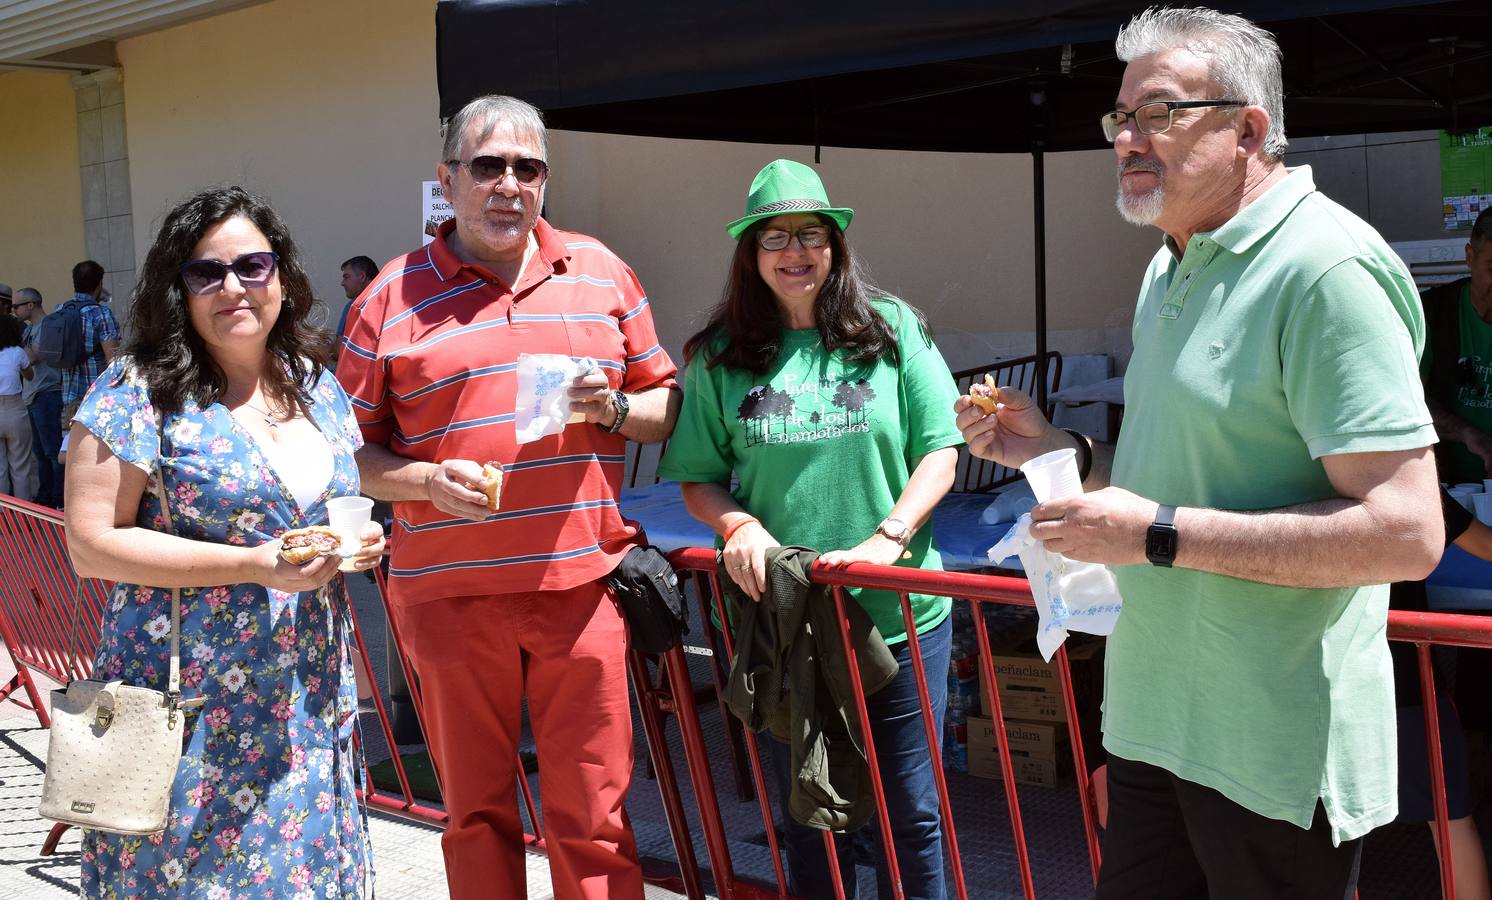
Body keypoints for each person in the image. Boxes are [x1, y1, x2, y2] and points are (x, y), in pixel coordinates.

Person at [956, 9, 1442, 897]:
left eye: (1159, 113)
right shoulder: (1169, 263)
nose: (1126, 140)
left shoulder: (1326, 269)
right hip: (1154, 725)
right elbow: (1176, 476)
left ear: (1248, 128)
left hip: (1272, 752)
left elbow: (1406, 536)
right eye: (1118, 119)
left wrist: (1155, 535)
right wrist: (1061, 448)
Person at [336, 94, 679, 900]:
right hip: (447, 600)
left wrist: (616, 408)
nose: (508, 186)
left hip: (580, 590)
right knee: (475, 816)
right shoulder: (389, 298)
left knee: (594, 816)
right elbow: (342, 455)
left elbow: (664, 401)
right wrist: (423, 481)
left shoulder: (602, 270)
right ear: (447, 178)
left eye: (527, 168)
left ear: (545, 180)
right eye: (487, 166)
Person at [62, 186, 384, 897]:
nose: (234, 286)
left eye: (253, 266)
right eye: (207, 272)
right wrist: (252, 565)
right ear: (178, 290)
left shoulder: (313, 384)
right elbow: (89, 545)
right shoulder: (135, 393)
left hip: (306, 696)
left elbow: (331, 496)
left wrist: (350, 542)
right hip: (188, 712)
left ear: (281, 275)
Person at [659, 159, 963, 899]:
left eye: (811, 235)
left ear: (836, 246)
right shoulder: (720, 356)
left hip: (899, 613)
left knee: (910, 815)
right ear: (751, 255)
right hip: (786, 620)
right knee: (809, 813)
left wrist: (888, 537)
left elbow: (942, 449)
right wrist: (740, 527)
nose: (794, 251)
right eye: (775, 238)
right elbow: (697, 477)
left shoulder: (891, 330)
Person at [1390, 488, 1492, 900]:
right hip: (1406, 683)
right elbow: (1486, 544)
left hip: (1306, 678)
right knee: (1449, 818)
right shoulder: (1405, 486)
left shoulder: (1279, 478)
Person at [1422, 205, 1492, 484]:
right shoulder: (1433, 314)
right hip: (1448, 490)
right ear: (1469, 257)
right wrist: (1469, 435)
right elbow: (1408, 401)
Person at [15, 288, 64, 507]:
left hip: (46, 394)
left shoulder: (46, 326)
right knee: (40, 453)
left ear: (31, 305)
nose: (14, 310)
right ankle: (45, 498)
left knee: (52, 452)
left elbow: (32, 357)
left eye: (17, 306)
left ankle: (57, 499)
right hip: (33, 395)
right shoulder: (29, 330)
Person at [59, 259, 120, 432]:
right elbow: (113, 359)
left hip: (68, 397)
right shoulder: (100, 313)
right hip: (95, 399)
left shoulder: (61, 310)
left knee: (71, 450)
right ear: (100, 283)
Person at [0, 314, 36, 501]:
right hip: (15, 409)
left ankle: (2, 520)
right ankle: (24, 517)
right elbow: (30, 376)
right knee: (21, 467)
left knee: (0, 471)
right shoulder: (17, 352)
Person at [333, 255, 378, 354]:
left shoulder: (354, 306)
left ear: (362, 277)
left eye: (346, 277)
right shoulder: (393, 302)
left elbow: (339, 351)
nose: (342, 283)